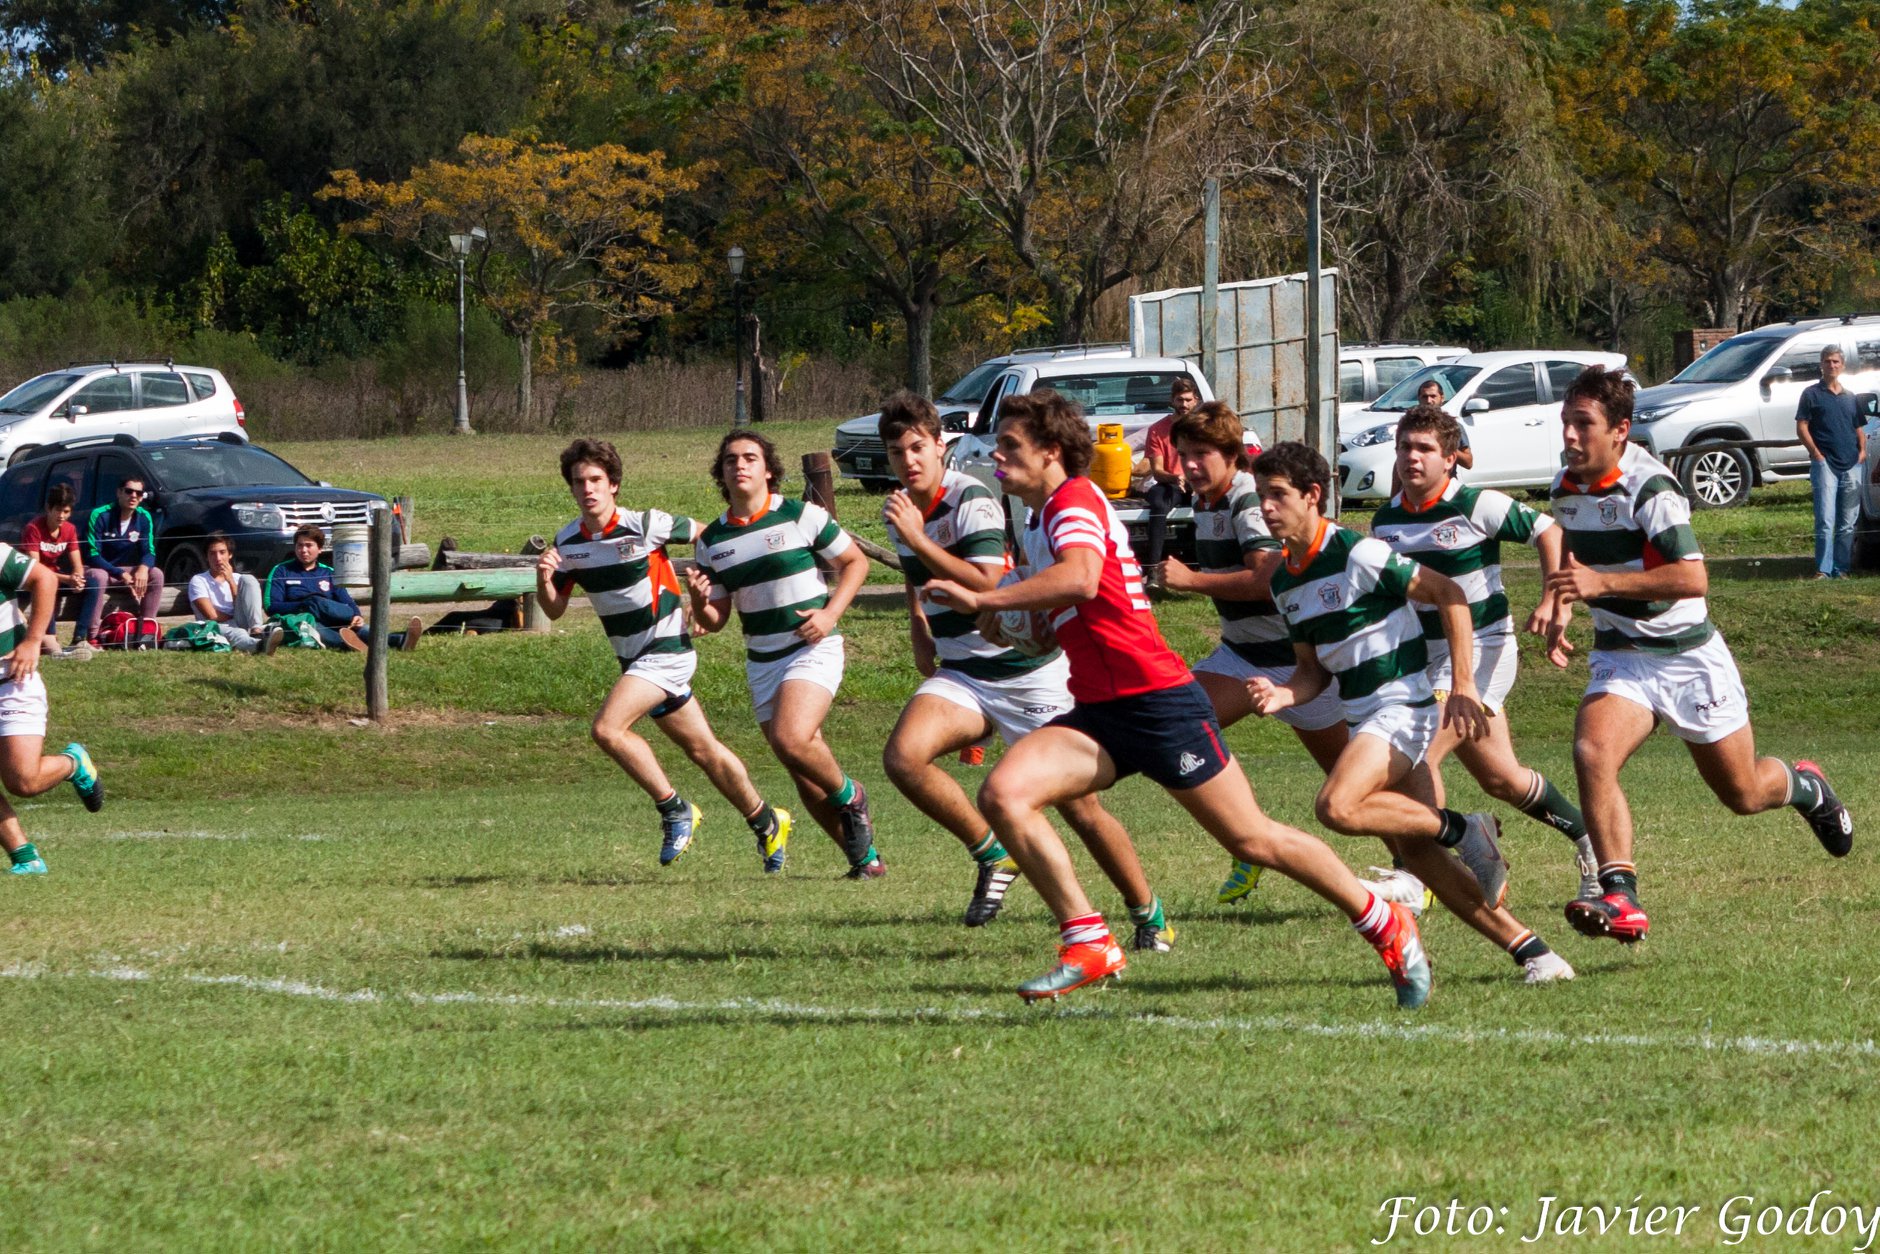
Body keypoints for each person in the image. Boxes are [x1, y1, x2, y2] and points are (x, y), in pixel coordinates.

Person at [926, 391, 1432, 1008]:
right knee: (1005, 794)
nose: (998, 457)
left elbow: (1081, 578)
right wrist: (1011, 623)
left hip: (1159, 700)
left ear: (1052, 452)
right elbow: (1058, 619)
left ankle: (1382, 920)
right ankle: (1087, 941)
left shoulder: (1073, 501)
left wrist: (989, 599)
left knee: (1253, 841)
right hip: (1101, 710)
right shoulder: (1035, 523)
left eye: (1011, 446)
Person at [1247, 441, 1575, 984]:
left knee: (1336, 806)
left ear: (1312, 495)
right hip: (1365, 716)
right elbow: (1311, 671)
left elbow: (1449, 594)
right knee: (1423, 860)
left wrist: (1464, 683)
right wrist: (1284, 695)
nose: (1266, 507)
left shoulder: (1358, 553)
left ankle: (1463, 826)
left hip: (1403, 708)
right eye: (1261, 495)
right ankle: (1536, 954)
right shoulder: (1284, 581)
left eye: (1277, 495)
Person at [1544, 365, 1852, 944]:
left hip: (1688, 658)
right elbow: (1575, 555)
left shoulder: (1652, 489)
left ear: (1620, 430)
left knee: (1743, 793)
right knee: (1591, 751)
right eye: (1566, 422)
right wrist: (1558, 603)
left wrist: (1600, 585)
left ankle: (1806, 787)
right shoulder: (1566, 485)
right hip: (1623, 656)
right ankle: (1621, 895)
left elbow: (1692, 578)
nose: (1569, 435)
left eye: (1583, 424)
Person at [875, 391, 1175, 947]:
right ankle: (994, 853)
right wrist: (918, 624)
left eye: (918, 447)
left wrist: (917, 538)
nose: (908, 460)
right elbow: (918, 576)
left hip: (1023, 668)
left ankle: (1147, 914)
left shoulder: (972, 498)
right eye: (896, 452)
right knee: (903, 757)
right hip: (963, 669)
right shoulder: (900, 511)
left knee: (1080, 809)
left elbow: (988, 581)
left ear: (940, 445)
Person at [1370, 405, 1599, 902]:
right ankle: (1591, 842)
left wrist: (1554, 599)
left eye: (1425, 448)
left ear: (1451, 458)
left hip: (1482, 651)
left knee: (1416, 751)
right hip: (1424, 660)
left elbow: (1549, 531)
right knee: (1503, 779)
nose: (1412, 457)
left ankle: (1418, 877)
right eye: (1405, 446)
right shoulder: (1385, 520)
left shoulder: (1476, 504)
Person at [537, 438, 793, 869]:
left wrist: (705, 595)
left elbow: (711, 537)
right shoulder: (568, 542)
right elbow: (554, 610)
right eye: (579, 482)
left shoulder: (645, 524)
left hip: (667, 651)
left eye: (596, 480)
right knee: (704, 751)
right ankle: (767, 822)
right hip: (634, 661)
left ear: (614, 484)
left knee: (607, 730)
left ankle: (675, 810)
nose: (588, 489)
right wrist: (543, 579)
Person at [1156, 402, 1351, 906]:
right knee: (1175, 726)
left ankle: (1420, 865)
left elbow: (1267, 580)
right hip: (1240, 656)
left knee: (1354, 792)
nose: (1190, 465)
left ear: (1231, 455)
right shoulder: (1207, 501)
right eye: (1183, 454)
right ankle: (1249, 838)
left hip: (1294, 664)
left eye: (1201, 454)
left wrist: (1192, 581)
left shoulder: (1247, 500)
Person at [687, 430, 883, 878]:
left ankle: (851, 795)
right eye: (731, 459)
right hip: (762, 661)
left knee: (790, 738)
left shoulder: (800, 515)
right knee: (801, 769)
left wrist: (830, 614)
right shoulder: (712, 539)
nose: (740, 465)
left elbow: (856, 563)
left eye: (750, 458)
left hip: (811, 647)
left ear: (768, 470)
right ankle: (865, 860)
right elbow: (716, 620)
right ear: (721, 473)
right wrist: (698, 600)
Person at [0, 538, 106, 877]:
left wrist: (33, 641)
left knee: (23, 781)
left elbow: (44, 579)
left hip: (12, 680)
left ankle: (73, 763)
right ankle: (25, 857)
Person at [266, 525, 422, 652]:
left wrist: (356, 615)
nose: (303, 550)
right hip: (305, 620)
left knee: (362, 629)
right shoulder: (282, 571)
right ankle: (351, 645)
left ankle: (400, 639)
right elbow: (271, 606)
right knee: (319, 623)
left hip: (335, 617)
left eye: (308, 545)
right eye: (300, 545)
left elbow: (346, 600)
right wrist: (303, 605)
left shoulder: (329, 573)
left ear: (320, 549)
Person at [1794, 345, 1867, 579]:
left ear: (1842, 365)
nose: (1832, 365)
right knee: (1825, 519)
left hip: (1852, 464)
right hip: (1825, 464)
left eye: (1836, 361)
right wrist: (1816, 453)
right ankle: (1823, 569)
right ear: (1821, 365)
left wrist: (1862, 451)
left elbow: (1859, 428)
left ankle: (1841, 568)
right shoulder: (1811, 394)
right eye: (1827, 361)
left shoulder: (1850, 397)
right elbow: (1802, 426)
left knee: (1848, 522)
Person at [77, 476, 165, 648]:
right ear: (119, 492)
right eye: (129, 491)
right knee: (99, 576)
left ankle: (146, 632)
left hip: (127, 572)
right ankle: (93, 637)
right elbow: (93, 555)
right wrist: (120, 573)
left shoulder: (144, 517)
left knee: (156, 574)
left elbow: (149, 551)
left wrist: (143, 568)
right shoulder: (100, 515)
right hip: (100, 569)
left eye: (139, 493)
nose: (133, 496)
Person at [1134, 375, 1201, 590]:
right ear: (1172, 401)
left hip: (1199, 482)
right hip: (1170, 483)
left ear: (1196, 400)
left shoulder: (1204, 427)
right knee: (1158, 502)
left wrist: (1196, 481)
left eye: (1188, 400)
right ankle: (1153, 569)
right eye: (1180, 400)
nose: (1184, 405)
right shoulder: (1158, 429)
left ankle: (1210, 565)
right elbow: (1157, 471)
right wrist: (1176, 478)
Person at [19, 484, 89, 658]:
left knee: (94, 581)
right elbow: (36, 569)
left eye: (66, 511)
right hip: (31, 578)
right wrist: (67, 579)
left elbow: (77, 562)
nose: (62, 516)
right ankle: (51, 640)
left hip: (56, 575)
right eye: (58, 510)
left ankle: (81, 638)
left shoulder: (70, 529)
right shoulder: (33, 528)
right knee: (46, 585)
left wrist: (78, 578)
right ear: (48, 508)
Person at [189, 534, 285, 655]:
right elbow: (211, 615)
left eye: (222, 552)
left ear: (230, 554)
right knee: (238, 633)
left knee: (249, 579)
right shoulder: (198, 580)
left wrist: (230, 581)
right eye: (212, 553)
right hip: (215, 625)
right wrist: (235, 616)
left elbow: (243, 606)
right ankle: (259, 646)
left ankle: (257, 630)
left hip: (241, 620)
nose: (218, 558)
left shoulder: (237, 578)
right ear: (207, 557)